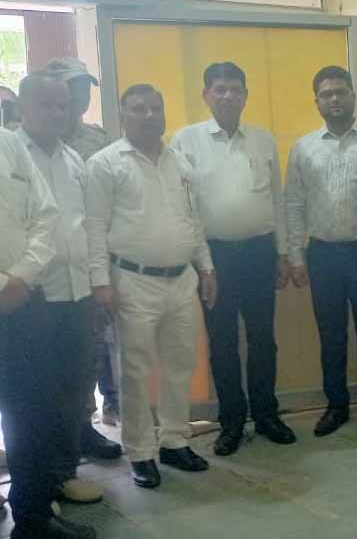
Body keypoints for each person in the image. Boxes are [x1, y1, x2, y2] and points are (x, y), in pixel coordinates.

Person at [84, 84, 218, 489]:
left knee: (180, 365)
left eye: (155, 109)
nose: (148, 116)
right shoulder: (105, 164)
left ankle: (175, 441)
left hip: (181, 280)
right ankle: (141, 451)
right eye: (138, 109)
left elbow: (193, 221)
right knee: (136, 371)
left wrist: (207, 268)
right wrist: (100, 283)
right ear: (123, 116)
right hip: (132, 282)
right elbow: (94, 228)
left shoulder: (180, 162)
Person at [171, 62, 296, 456]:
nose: (227, 96)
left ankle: (266, 414)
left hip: (259, 252)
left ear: (245, 95)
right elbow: (185, 208)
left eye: (235, 89)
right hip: (215, 258)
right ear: (206, 95)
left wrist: (282, 252)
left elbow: (276, 200)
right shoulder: (186, 141)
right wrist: (203, 264)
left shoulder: (262, 139)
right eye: (219, 89)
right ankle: (231, 422)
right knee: (223, 342)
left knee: (263, 339)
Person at [1, 127, 96, 538]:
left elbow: (46, 213)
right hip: (10, 291)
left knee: (30, 414)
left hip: (23, 300)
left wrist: (20, 276)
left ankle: (33, 517)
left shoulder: (7, 143)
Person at [17, 73, 106, 506]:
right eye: (46, 105)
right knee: (30, 400)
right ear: (23, 109)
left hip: (77, 295)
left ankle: (64, 473)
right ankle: (32, 489)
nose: (57, 113)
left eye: (63, 106)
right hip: (31, 299)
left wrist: (97, 283)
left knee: (74, 390)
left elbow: (87, 226)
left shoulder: (74, 160)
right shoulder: (10, 157)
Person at [285, 66, 357, 438]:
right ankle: (336, 405)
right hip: (323, 254)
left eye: (341, 92)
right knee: (331, 334)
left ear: (353, 96)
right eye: (326, 94)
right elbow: (293, 204)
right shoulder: (304, 148)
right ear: (317, 101)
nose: (334, 99)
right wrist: (296, 256)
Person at [46, 56, 122, 444]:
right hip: (47, 264)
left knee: (90, 346)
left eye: (84, 87)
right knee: (51, 354)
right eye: (72, 87)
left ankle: (84, 425)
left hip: (93, 256)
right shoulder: (31, 140)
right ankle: (57, 432)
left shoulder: (99, 139)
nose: (80, 95)